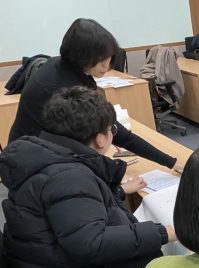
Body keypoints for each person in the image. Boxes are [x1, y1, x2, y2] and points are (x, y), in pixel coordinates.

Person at [0, 86, 177, 268]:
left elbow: (69, 210)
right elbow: (91, 243)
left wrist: (118, 192)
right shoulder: (69, 177)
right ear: (100, 139)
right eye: (112, 130)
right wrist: (164, 232)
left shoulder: (47, 159)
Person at [8, 18, 186, 172]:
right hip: (31, 162)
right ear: (82, 56)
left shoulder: (65, 68)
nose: (107, 65)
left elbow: (110, 127)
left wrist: (170, 161)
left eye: (108, 57)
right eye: (101, 59)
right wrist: (172, 163)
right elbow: (112, 130)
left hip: (38, 151)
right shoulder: (59, 89)